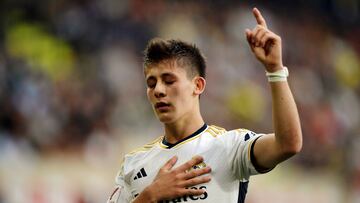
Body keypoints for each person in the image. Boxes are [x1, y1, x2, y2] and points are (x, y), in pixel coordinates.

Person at [107, 7, 302, 203]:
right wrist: (150, 196)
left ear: (197, 85)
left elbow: (288, 144)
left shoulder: (230, 147)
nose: (158, 90)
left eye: (169, 81)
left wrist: (275, 70)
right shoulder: (133, 164)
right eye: (151, 83)